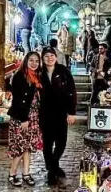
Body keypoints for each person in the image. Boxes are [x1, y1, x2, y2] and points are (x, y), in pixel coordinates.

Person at [39, 47, 77, 186]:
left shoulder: (63, 71)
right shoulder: (39, 73)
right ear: (42, 58)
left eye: (52, 55)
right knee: (47, 144)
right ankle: (52, 171)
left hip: (60, 112)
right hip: (44, 113)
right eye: (46, 56)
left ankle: (52, 166)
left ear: (55, 56)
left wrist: (71, 112)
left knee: (61, 142)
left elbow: (71, 91)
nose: (49, 58)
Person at [7, 52, 43, 187]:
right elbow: (19, 100)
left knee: (27, 147)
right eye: (31, 60)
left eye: (36, 61)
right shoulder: (19, 77)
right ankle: (12, 173)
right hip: (22, 118)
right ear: (26, 61)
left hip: (33, 117)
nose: (34, 63)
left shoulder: (35, 77)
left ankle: (26, 173)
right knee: (20, 148)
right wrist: (24, 119)